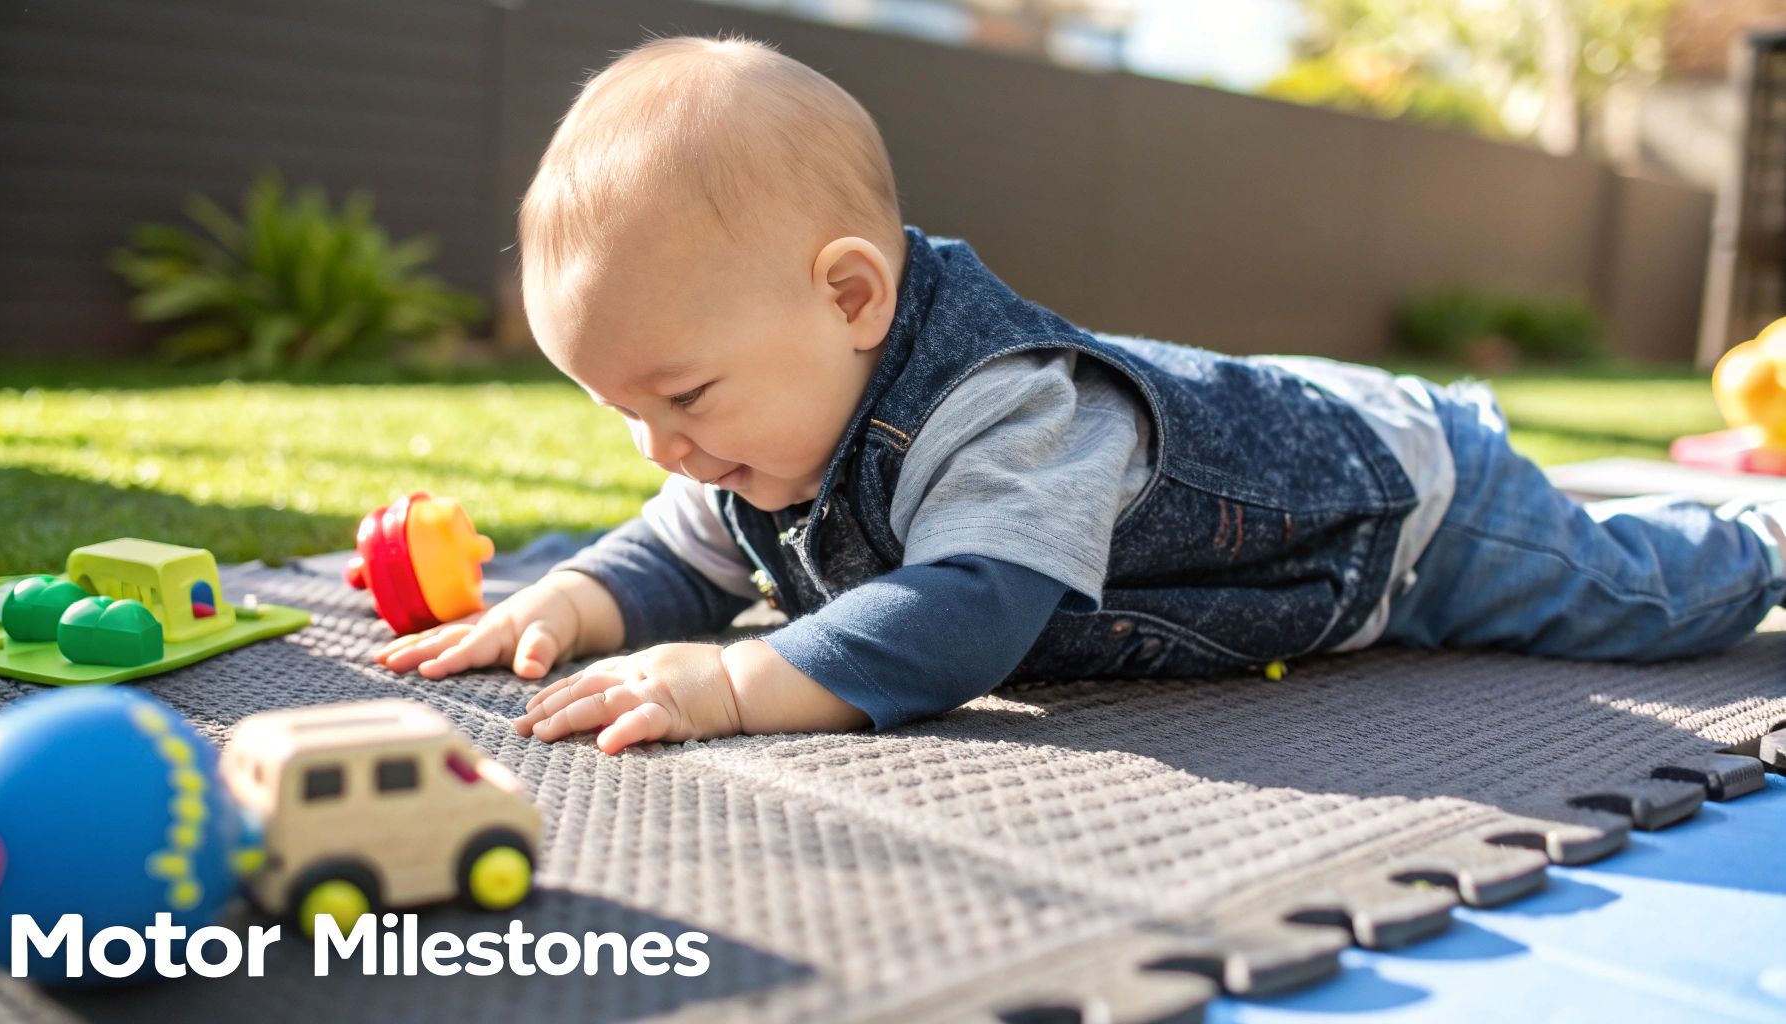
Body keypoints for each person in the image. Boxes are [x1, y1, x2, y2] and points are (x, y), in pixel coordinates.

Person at [371, 34, 1786, 755]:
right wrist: (572, 605)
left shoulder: (1007, 410)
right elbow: (678, 551)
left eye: (681, 396)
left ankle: (1758, 536)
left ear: (851, 299)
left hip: (1411, 509)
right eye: (624, 411)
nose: (664, 448)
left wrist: (742, 682)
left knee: (1637, 604)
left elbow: (967, 614)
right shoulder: (749, 435)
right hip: (1325, 527)